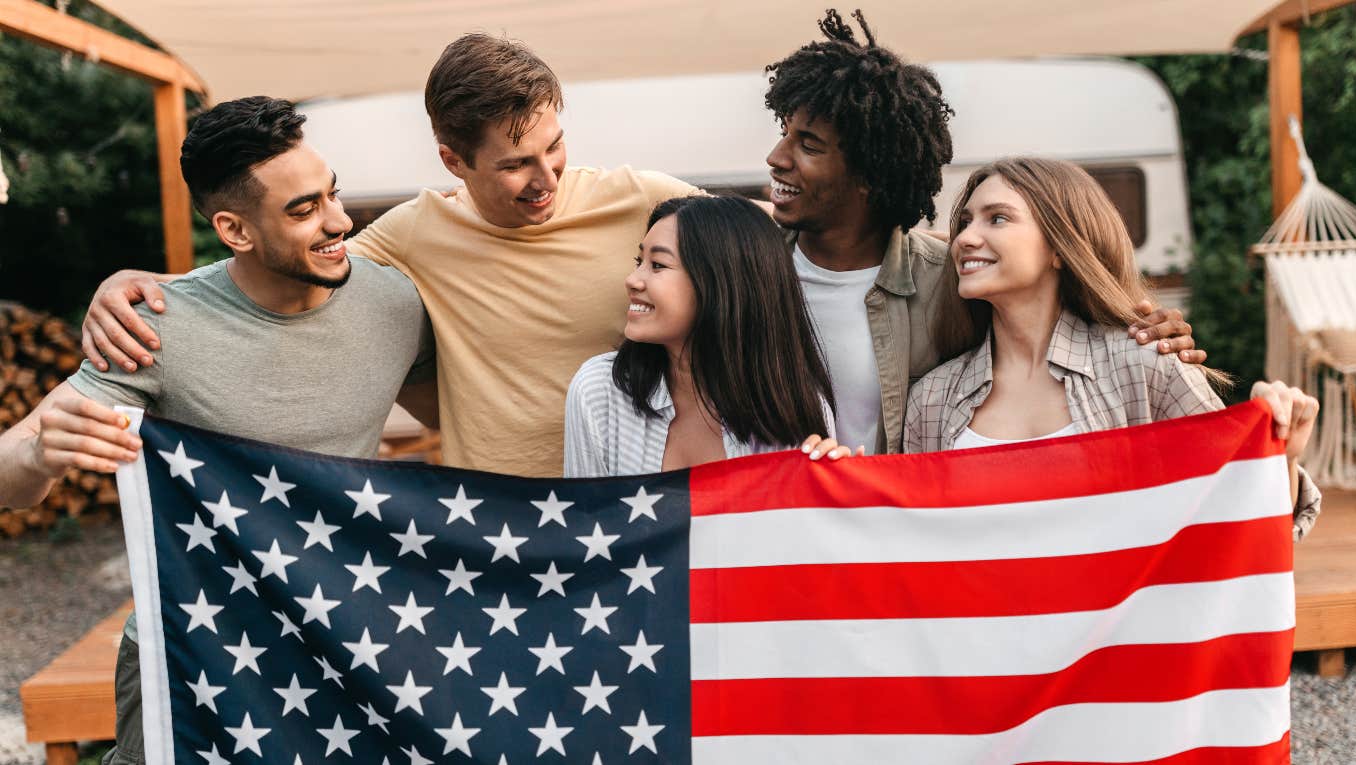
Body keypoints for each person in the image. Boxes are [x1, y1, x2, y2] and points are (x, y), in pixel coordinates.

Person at [78, 22, 1200, 478]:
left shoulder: (912, 279)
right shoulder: (405, 236)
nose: (546, 181)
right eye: (515, 164)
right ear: (451, 159)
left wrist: (1127, 328)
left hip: (819, 549)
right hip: (525, 528)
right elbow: (301, 259)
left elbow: (1026, 345)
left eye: (555, 148)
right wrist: (138, 284)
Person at [0, 96, 435, 765]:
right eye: (303, 209)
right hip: (191, 649)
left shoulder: (394, 303)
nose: (338, 221)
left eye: (333, 194)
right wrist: (38, 452)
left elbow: (468, 419)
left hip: (335, 638)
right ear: (235, 230)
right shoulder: (157, 326)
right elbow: (14, 472)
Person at [764, 9, 1203, 456]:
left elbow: (1227, 471)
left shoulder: (943, 282)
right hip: (776, 515)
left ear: (868, 176)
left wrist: (1145, 337)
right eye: (966, 222)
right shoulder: (740, 263)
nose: (775, 157)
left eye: (809, 145)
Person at [808, 157, 1321, 536]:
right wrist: (833, 487)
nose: (964, 238)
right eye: (965, 222)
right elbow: (910, 546)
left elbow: (1239, 520)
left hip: (1111, 672)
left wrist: (1284, 458)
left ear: (1059, 247)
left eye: (997, 219)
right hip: (984, 667)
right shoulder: (933, 399)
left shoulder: (1144, 364)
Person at [564, 196, 834, 476]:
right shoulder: (599, 390)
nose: (632, 280)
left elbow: (799, 520)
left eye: (657, 264)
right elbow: (586, 517)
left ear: (720, 284)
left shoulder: (795, 406)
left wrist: (837, 490)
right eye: (638, 261)